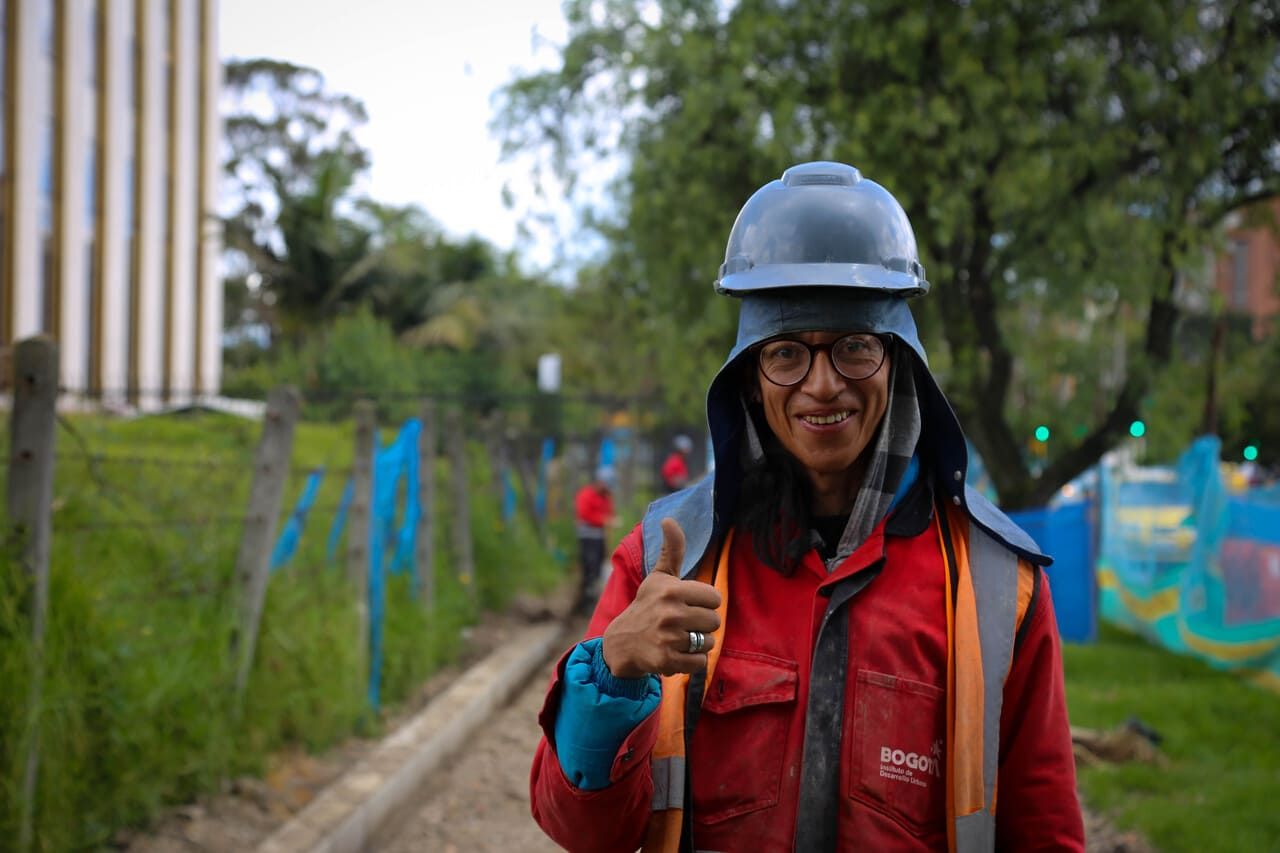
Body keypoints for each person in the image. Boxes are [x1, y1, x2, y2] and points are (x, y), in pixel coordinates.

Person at [530, 162, 1084, 852]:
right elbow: (578, 829)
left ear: (898, 361)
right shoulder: (668, 561)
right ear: (750, 378)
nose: (822, 385)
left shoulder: (1000, 582)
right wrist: (613, 671)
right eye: (787, 352)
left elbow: (1047, 832)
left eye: (854, 347)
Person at [573, 466, 617, 615]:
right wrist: (604, 521)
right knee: (589, 568)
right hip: (587, 538)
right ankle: (585, 601)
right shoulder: (586, 495)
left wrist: (609, 521)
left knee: (597, 568)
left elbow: (610, 514)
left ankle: (593, 600)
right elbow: (585, 514)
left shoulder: (606, 498)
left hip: (600, 538)